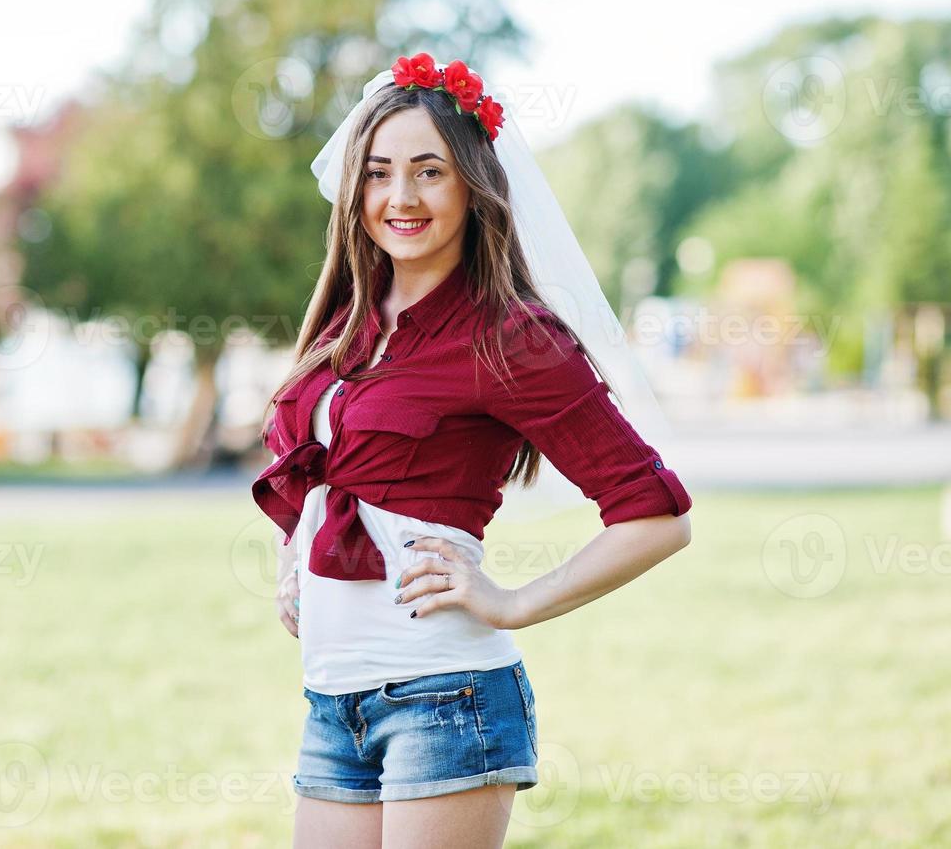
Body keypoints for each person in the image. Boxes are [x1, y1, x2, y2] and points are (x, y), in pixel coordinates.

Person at [252, 53, 694, 849]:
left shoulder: (512, 337)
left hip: (444, 697)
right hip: (331, 702)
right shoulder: (344, 326)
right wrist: (296, 558)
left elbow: (656, 517)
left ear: (472, 186)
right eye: (380, 173)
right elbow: (321, 469)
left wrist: (513, 601)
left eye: (429, 171)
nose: (401, 197)